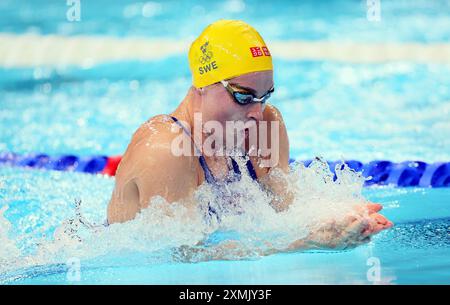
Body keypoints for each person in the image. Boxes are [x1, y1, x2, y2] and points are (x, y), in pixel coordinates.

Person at [106, 19, 392, 251]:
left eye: (265, 96)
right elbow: (180, 259)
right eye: (243, 97)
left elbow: (283, 210)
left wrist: (335, 218)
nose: (257, 111)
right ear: (203, 85)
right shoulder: (166, 149)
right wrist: (308, 242)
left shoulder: (266, 125)